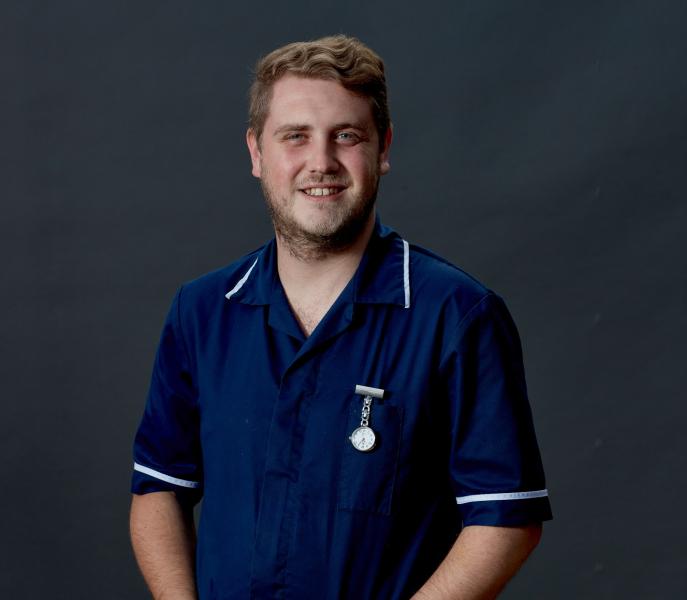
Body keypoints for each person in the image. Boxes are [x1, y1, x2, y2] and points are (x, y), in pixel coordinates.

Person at [129, 35, 552, 599]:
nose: (321, 162)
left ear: (383, 148)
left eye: (346, 136)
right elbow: (159, 487)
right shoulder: (203, 312)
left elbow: (506, 517)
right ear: (257, 152)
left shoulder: (457, 316)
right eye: (295, 136)